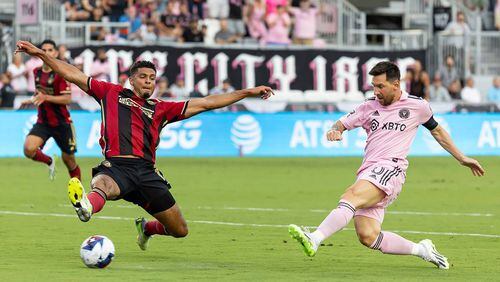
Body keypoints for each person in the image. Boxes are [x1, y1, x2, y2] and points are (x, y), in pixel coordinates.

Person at [15, 39, 273, 250]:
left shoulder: (161, 108)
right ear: (132, 79)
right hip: (116, 167)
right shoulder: (110, 93)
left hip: (147, 173)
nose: (149, 80)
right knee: (103, 184)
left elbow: (206, 102)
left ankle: (146, 228)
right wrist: (40, 54)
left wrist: (247, 92)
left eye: (153, 77)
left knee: (180, 230)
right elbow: (71, 73)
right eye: (144, 77)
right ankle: (86, 207)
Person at [288, 61, 484, 270]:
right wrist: (335, 130)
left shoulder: (417, 106)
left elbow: (437, 131)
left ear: (396, 85)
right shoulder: (368, 106)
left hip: (392, 170)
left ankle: (314, 238)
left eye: (380, 86)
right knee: (368, 236)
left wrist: (461, 157)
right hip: (368, 171)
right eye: (374, 86)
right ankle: (422, 250)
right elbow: (341, 123)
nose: (376, 91)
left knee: (351, 196)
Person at [20, 39, 81, 181]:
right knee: (28, 149)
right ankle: (49, 161)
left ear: (55, 52)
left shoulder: (61, 73)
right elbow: (39, 93)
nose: (46, 53)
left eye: (50, 50)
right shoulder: (37, 72)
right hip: (44, 122)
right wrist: (30, 100)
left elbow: (67, 99)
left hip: (62, 123)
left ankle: (79, 195)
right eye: (44, 50)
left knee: (69, 161)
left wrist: (46, 97)